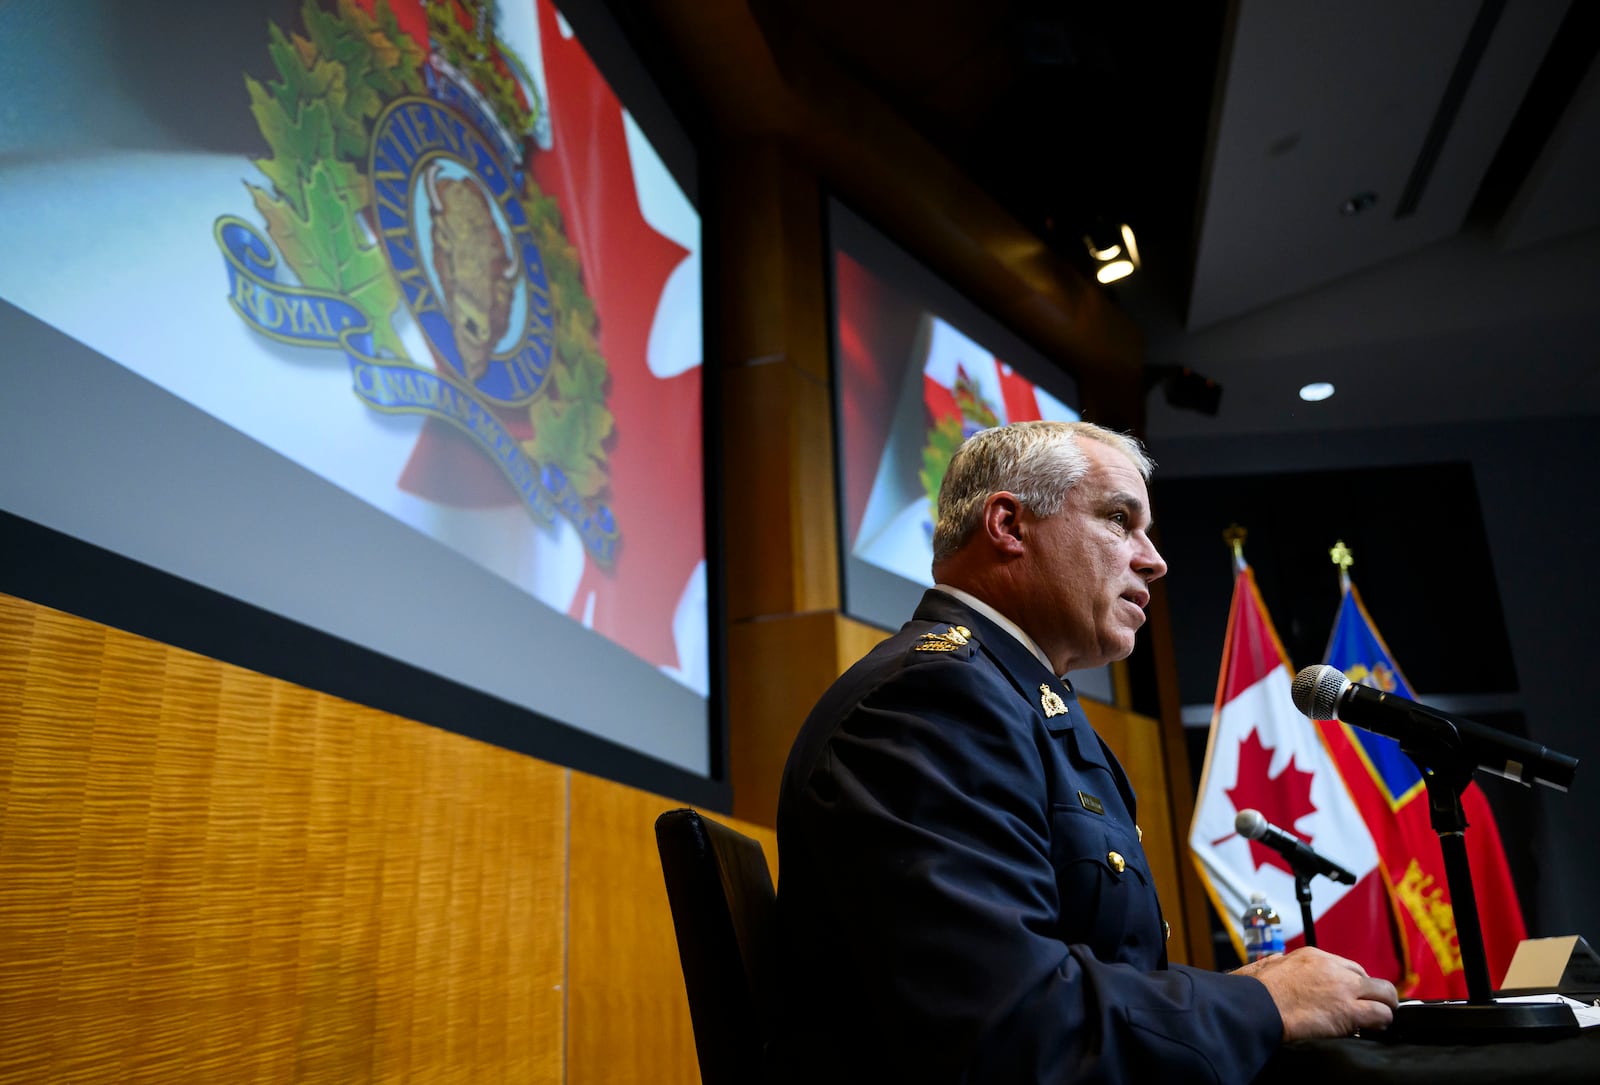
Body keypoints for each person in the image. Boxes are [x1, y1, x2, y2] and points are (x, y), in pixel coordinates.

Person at [765, 420, 1398, 1084]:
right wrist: (1258, 1004)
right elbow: (1015, 1026)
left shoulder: (1018, 700)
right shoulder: (933, 700)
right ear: (1009, 525)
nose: (1153, 558)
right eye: (1119, 519)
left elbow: (1078, 973)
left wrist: (1236, 994)